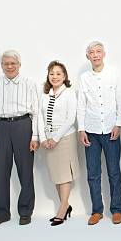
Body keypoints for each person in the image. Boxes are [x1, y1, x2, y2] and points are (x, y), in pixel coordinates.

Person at [0, 50, 39, 227]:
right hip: (0, 128)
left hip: (23, 126)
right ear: (1, 66)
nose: (9, 66)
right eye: (6, 63)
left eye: (13, 63)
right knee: (2, 172)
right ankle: (1, 213)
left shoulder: (29, 84)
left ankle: (25, 211)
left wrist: (35, 136)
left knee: (25, 171)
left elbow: (37, 112)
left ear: (19, 65)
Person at [77, 41, 121, 225]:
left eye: (98, 51)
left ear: (104, 54)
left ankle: (117, 210)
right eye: (91, 52)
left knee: (114, 171)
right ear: (87, 56)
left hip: (111, 129)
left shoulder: (114, 73)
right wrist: (81, 129)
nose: (95, 55)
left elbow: (120, 100)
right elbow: (81, 104)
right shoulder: (84, 78)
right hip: (91, 130)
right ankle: (96, 210)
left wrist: (118, 124)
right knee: (93, 172)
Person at [38, 60, 79, 226]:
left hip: (64, 138)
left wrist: (55, 138)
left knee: (64, 175)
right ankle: (66, 205)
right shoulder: (44, 94)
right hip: (48, 141)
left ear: (64, 76)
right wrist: (43, 138)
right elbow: (39, 116)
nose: (54, 76)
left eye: (58, 73)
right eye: (51, 73)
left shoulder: (69, 93)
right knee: (56, 175)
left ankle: (62, 208)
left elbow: (70, 118)